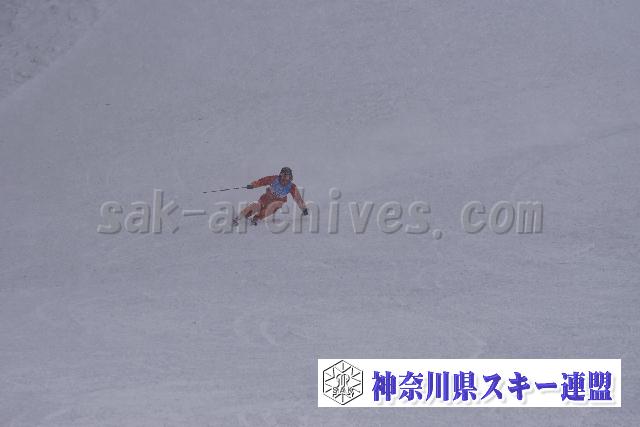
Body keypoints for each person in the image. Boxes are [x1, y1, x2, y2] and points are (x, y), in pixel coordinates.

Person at [233, 167, 308, 225]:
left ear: (290, 177)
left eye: (286, 176)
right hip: (266, 198)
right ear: (280, 175)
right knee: (256, 206)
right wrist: (253, 185)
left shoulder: (291, 186)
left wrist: (303, 208)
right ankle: (241, 216)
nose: (284, 178)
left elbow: (298, 198)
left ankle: (256, 218)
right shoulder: (274, 179)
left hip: (277, 203)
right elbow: (262, 181)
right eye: (283, 175)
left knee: (268, 210)